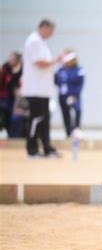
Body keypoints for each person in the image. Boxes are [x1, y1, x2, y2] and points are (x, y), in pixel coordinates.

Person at [22, 19, 61, 157]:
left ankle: (47, 147)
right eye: (50, 31)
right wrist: (56, 60)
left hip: (43, 90)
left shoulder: (41, 42)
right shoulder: (34, 41)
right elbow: (39, 63)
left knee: (45, 120)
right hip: (35, 90)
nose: (51, 34)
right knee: (36, 120)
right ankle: (32, 149)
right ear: (43, 27)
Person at [54, 50, 85, 138]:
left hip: (74, 95)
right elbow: (56, 81)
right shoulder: (61, 70)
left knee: (77, 111)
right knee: (65, 114)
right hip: (63, 96)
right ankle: (68, 132)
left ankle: (77, 129)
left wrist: (75, 95)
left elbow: (80, 84)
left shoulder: (79, 70)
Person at [0, 52, 22, 137]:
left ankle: (14, 137)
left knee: (15, 118)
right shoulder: (5, 67)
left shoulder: (23, 69)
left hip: (18, 99)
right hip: (5, 98)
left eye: (12, 59)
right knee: (6, 117)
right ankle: (10, 135)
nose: (10, 60)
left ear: (17, 60)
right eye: (9, 58)